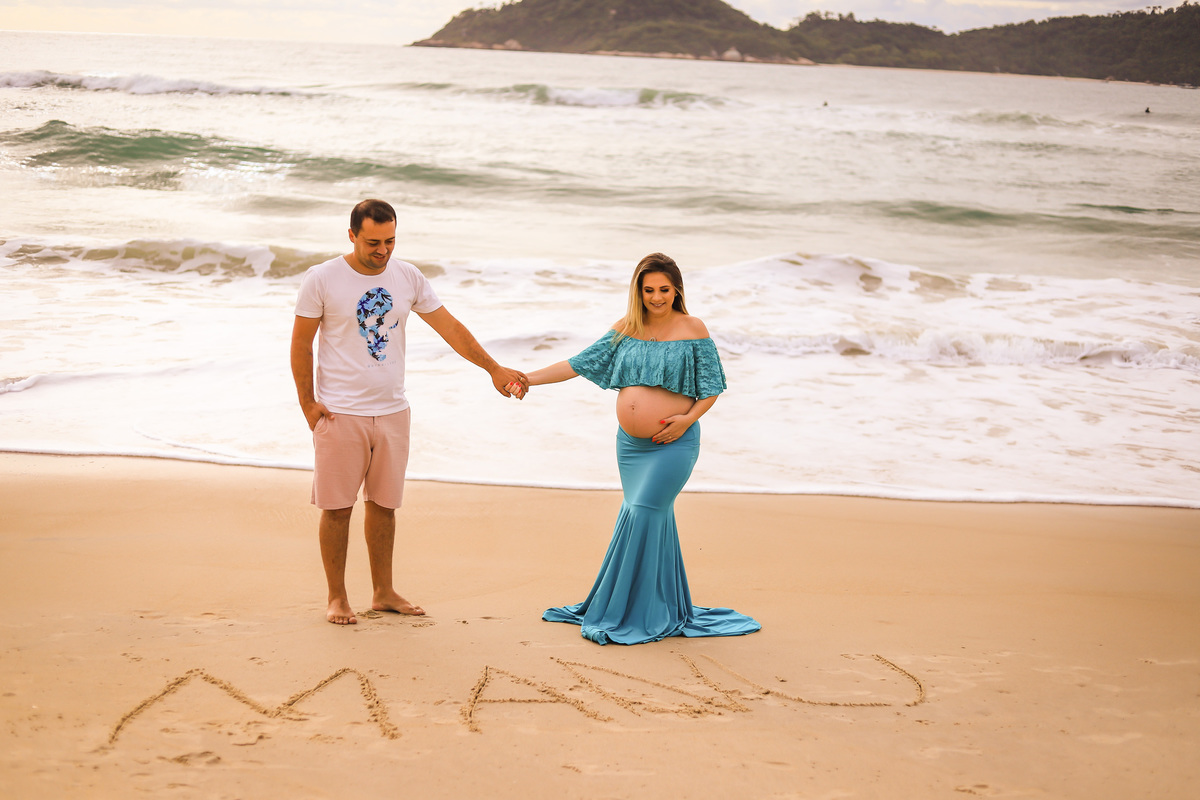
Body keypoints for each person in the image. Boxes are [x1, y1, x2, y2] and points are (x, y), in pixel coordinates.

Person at [291, 199, 528, 625]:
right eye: (373, 243)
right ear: (351, 235)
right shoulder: (322, 279)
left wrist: (494, 368)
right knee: (338, 508)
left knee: (384, 505)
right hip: (341, 413)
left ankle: (383, 592)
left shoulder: (407, 276)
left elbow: (450, 327)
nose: (383, 251)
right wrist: (308, 403)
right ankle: (337, 597)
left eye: (390, 241)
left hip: (394, 410)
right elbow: (300, 344)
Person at [512, 253, 760, 645]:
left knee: (644, 513)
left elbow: (713, 386)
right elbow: (578, 364)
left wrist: (687, 419)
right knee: (641, 514)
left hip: (673, 444)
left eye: (664, 289)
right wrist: (528, 378)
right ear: (638, 291)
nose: (656, 297)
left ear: (676, 289)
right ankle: (655, 604)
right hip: (631, 447)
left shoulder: (692, 328)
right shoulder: (627, 327)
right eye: (648, 290)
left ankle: (635, 610)